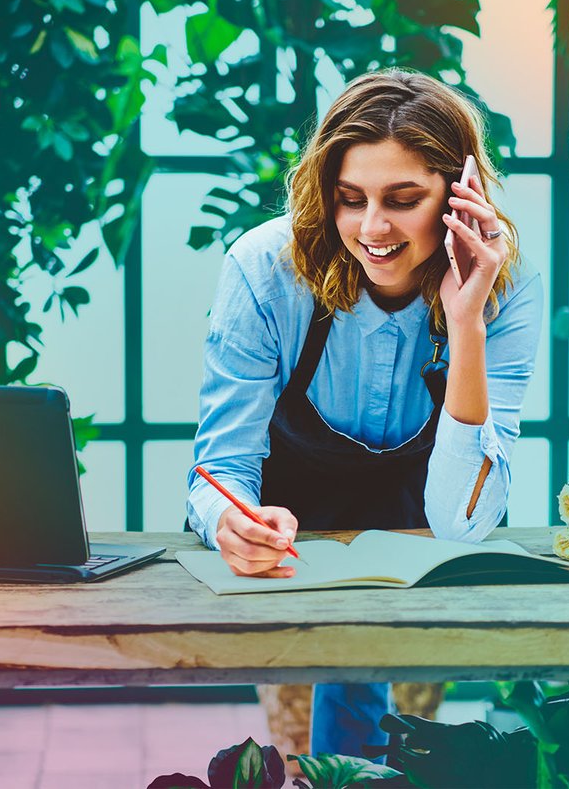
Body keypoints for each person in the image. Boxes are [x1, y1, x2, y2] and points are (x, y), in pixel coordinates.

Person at [185, 68, 544, 758]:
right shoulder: (264, 269)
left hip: (424, 535)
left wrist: (466, 320)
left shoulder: (507, 282)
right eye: (350, 199)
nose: (372, 228)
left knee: (405, 755)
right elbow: (220, 467)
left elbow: (464, 520)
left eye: (402, 198)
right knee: (304, 759)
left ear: (458, 193)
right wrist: (231, 519)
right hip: (292, 549)